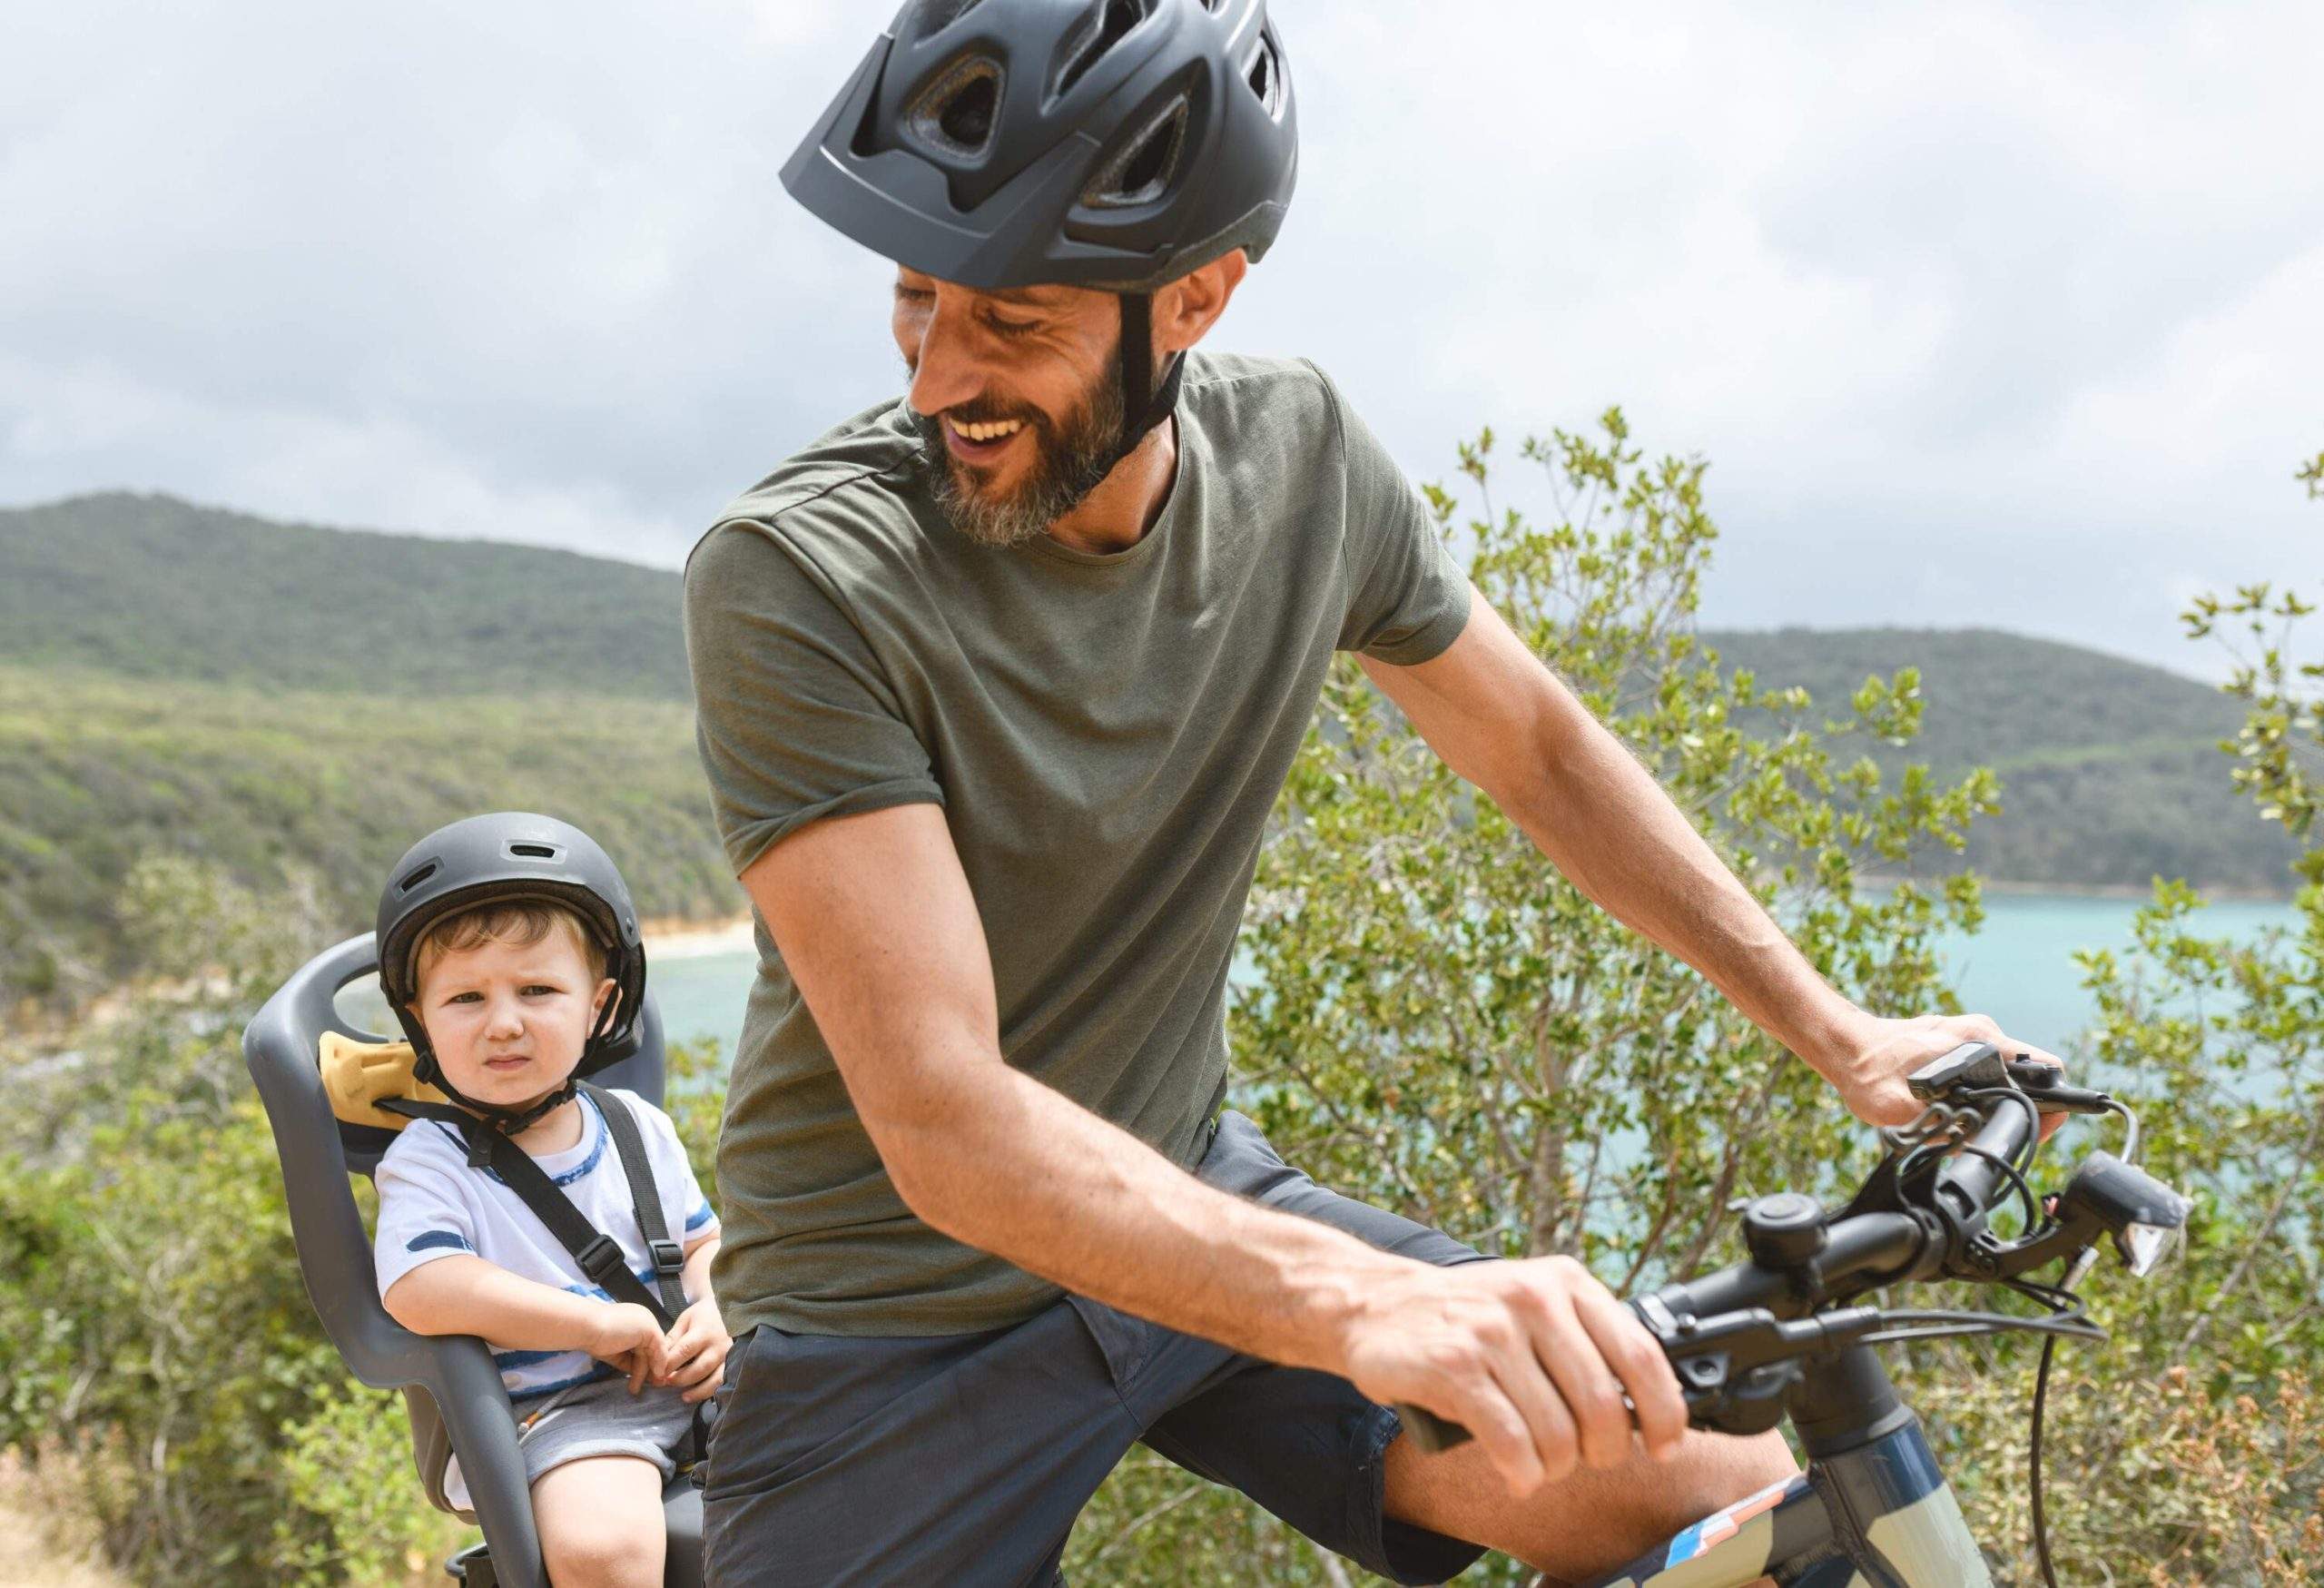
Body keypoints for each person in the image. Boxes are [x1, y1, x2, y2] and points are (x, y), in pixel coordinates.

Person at [683, 3, 2065, 1583]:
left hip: (1192, 1197)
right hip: (889, 1317)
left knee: (1741, 1489)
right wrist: (1361, 1299)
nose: (941, 380)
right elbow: (944, 1115)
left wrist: (1839, 1027)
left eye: (1014, 321)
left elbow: (1535, 746)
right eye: (915, 300)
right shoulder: (799, 574)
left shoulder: (1302, 459)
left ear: (1196, 294)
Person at [369, 813, 729, 1588]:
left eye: (537, 989)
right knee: (605, 1550)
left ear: (598, 1004)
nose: (504, 1022)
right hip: (560, 1417)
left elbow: (704, 1245)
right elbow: (420, 1286)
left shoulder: (638, 1127)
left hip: (695, 1386)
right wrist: (589, 1320)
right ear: (419, 1020)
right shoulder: (432, 1161)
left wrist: (715, 1308)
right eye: (465, 997)